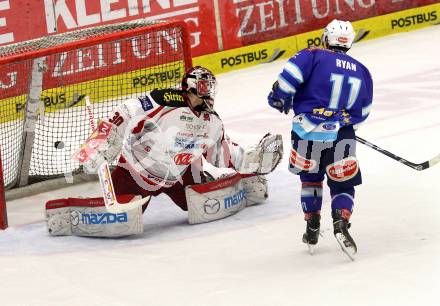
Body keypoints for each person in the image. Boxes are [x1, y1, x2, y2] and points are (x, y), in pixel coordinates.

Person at [46, 66, 283, 237]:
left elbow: (223, 154)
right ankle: (68, 216)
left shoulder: (212, 122)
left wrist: (252, 160)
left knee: (201, 207)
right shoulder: (165, 100)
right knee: (123, 221)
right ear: (189, 87)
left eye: (211, 87)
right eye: (203, 85)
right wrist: (103, 140)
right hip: (135, 174)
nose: (208, 92)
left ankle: (245, 186)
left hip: (179, 176)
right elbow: (128, 110)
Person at [267, 20, 373, 259]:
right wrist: (341, 123)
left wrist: (279, 98)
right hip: (342, 134)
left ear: (327, 37)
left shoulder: (312, 54)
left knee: (311, 179)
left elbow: (286, 81)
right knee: (342, 182)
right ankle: (341, 222)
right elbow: (363, 112)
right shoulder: (362, 70)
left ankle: (312, 224)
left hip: (307, 131)